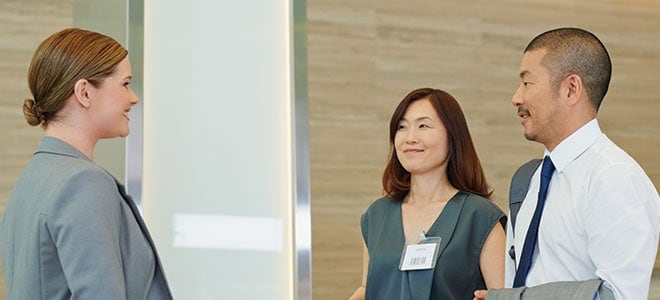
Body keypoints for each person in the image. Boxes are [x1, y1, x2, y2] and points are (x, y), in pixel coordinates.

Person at [474, 27, 660, 300]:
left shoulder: (614, 178)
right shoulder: (531, 178)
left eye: (527, 83)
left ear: (571, 89)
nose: (516, 97)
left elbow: (616, 296)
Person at [0, 28, 173, 299]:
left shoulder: (30, 181)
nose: (134, 98)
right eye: (125, 84)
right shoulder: (83, 183)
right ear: (84, 92)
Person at [348, 88, 506, 300]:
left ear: (453, 136)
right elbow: (369, 288)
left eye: (423, 126)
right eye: (402, 127)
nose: (410, 138)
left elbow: (504, 295)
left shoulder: (480, 216)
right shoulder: (377, 214)